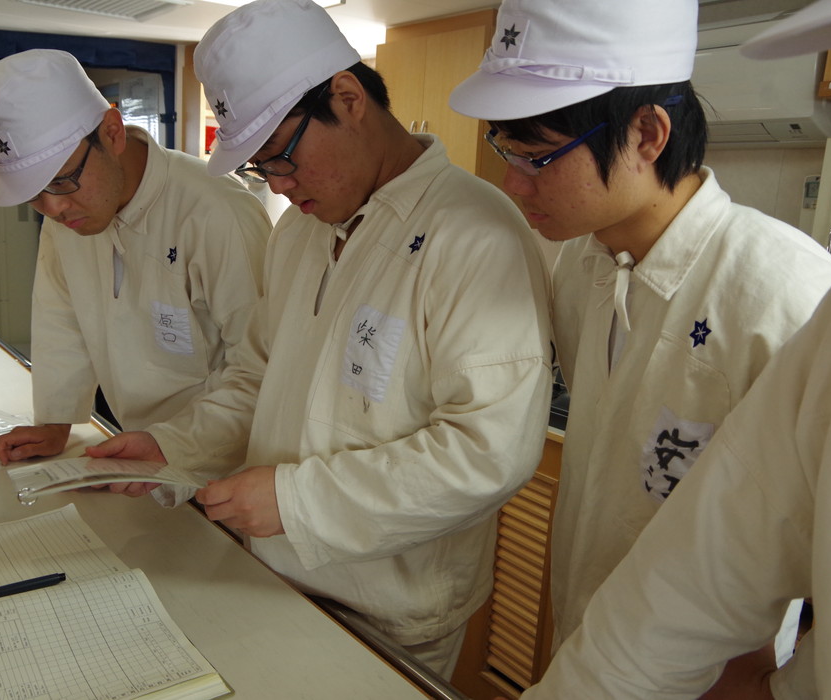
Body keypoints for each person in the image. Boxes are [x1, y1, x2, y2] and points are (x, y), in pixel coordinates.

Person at [85, 0, 553, 677]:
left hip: (388, 608)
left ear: (347, 98)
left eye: (282, 157)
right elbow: (258, 377)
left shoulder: (475, 232)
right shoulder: (300, 232)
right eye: (261, 169)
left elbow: (489, 451)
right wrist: (173, 445)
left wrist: (296, 501)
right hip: (272, 570)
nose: (280, 186)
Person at [449, 0, 831, 691]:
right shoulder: (583, 266)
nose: (513, 183)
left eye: (539, 158)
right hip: (585, 648)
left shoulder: (786, 294)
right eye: (507, 152)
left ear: (647, 133)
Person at [0, 49, 270, 464]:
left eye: (62, 180)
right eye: (32, 194)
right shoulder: (66, 214)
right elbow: (61, 317)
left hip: (224, 462)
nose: (53, 208)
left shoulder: (217, 212)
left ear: (112, 133)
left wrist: (172, 444)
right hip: (136, 450)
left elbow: (260, 369)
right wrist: (55, 421)